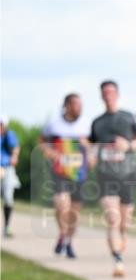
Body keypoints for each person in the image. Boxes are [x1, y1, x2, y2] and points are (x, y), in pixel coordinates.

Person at [88, 80, 136, 277]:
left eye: (111, 91)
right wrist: (90, 155)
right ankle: (117, 260)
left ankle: (120, 249)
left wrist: (128, 146)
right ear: (101, 96)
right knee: (112, 218)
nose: (108, 95)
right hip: (106, 175)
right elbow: (90, 145)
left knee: (124, 223)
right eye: (104, 92)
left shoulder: (129, 117)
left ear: (117, 94)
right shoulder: (97, 122)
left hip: (128, 174)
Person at [40, 93, 91, 257]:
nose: (79, 108)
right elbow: (42, 141)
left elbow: (94, 146)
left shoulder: (87, 125)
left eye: (81, 105)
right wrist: (49, 151)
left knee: (74, 211)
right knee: (61, 204)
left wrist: (89, 148)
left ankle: (68, 242)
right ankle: (62, 234)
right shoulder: (53, 124)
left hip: (79, 172)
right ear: (67, 106)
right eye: (76, 105)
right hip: (60, 170)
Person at [0, 115, 20, 238]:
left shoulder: (9, 135)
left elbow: (16, 148)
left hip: (6, 169)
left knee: (8, 198)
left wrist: (14, 157)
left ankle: (7, 227)